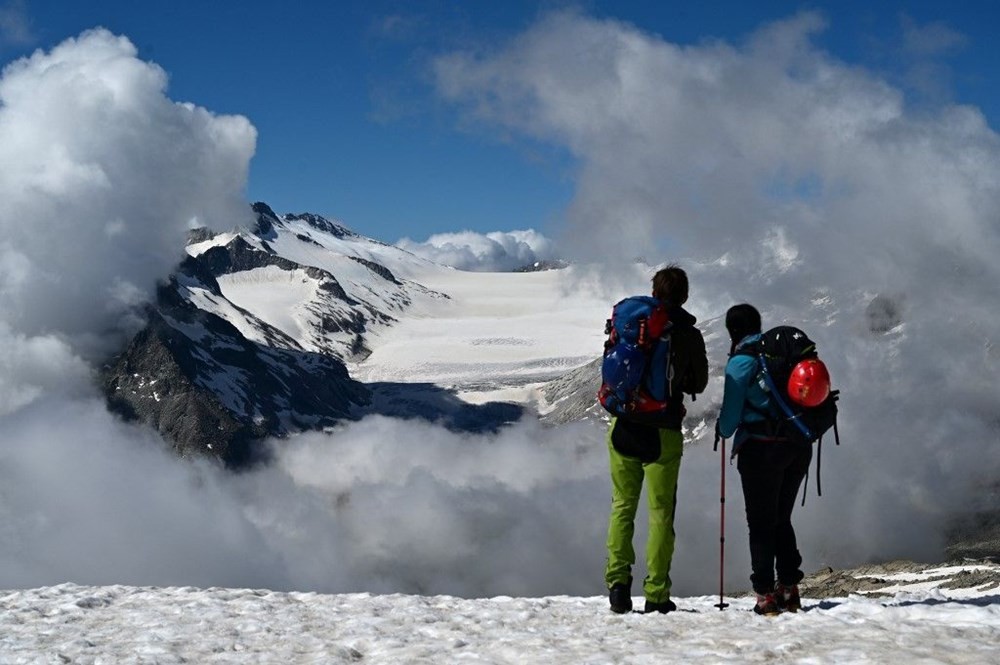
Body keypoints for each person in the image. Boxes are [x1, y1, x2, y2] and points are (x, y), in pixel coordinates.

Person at [605, 265, 708, 614]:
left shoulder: (633, 323)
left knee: (622, 507)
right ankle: (657, 596)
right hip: (662, 432)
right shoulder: (685, 332)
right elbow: (698, 384)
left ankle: (618, 586)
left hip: (622, 426)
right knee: (661, 514)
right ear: (685, 295)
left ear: (653, 290)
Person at [716, 303, 811, 615]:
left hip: (760, 451)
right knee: (781, 518)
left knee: (760, 523)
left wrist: (721, 429)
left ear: (732, 331)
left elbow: (729, 421)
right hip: (797, 446)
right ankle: (789, 589)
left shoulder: (741, 362)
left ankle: (765, 595)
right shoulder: (780, 352)